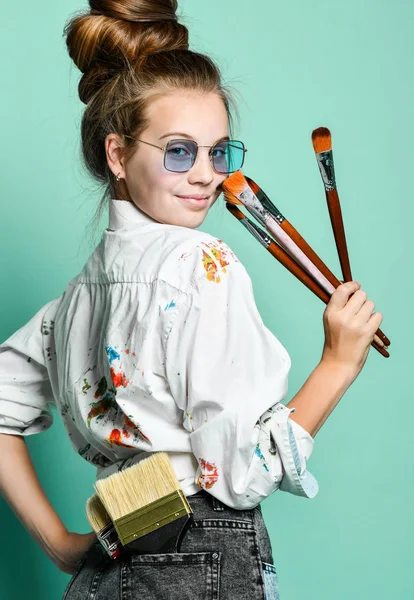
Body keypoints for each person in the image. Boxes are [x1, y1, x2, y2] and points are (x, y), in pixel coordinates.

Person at [0, 1, 384, 598]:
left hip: (111, 564)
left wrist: (58, 544)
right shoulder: (202, 265)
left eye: (220, 152)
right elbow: (241, 473)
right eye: (180, 151)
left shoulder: (75, 300)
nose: (207, 174)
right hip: (202, 553)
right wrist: (338, 363)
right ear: (117, 154)